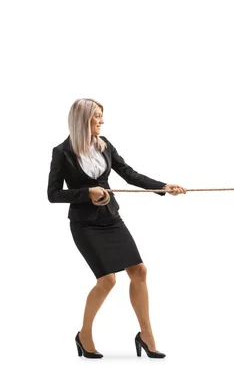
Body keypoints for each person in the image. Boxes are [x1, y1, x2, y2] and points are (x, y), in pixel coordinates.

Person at [47, 98, 187, 359]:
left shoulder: (104, 144)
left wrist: (163, 187)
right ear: (83, 119)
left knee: (139, 270)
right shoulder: (62, 152)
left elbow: (128, 173)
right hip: (85, 224)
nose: (102, 121)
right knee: (108, 279)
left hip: (111, 218)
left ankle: (146, 335)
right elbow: (53, 194)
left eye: (101, 116)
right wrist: (86, 192)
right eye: (97, 116)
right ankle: (84, 335)